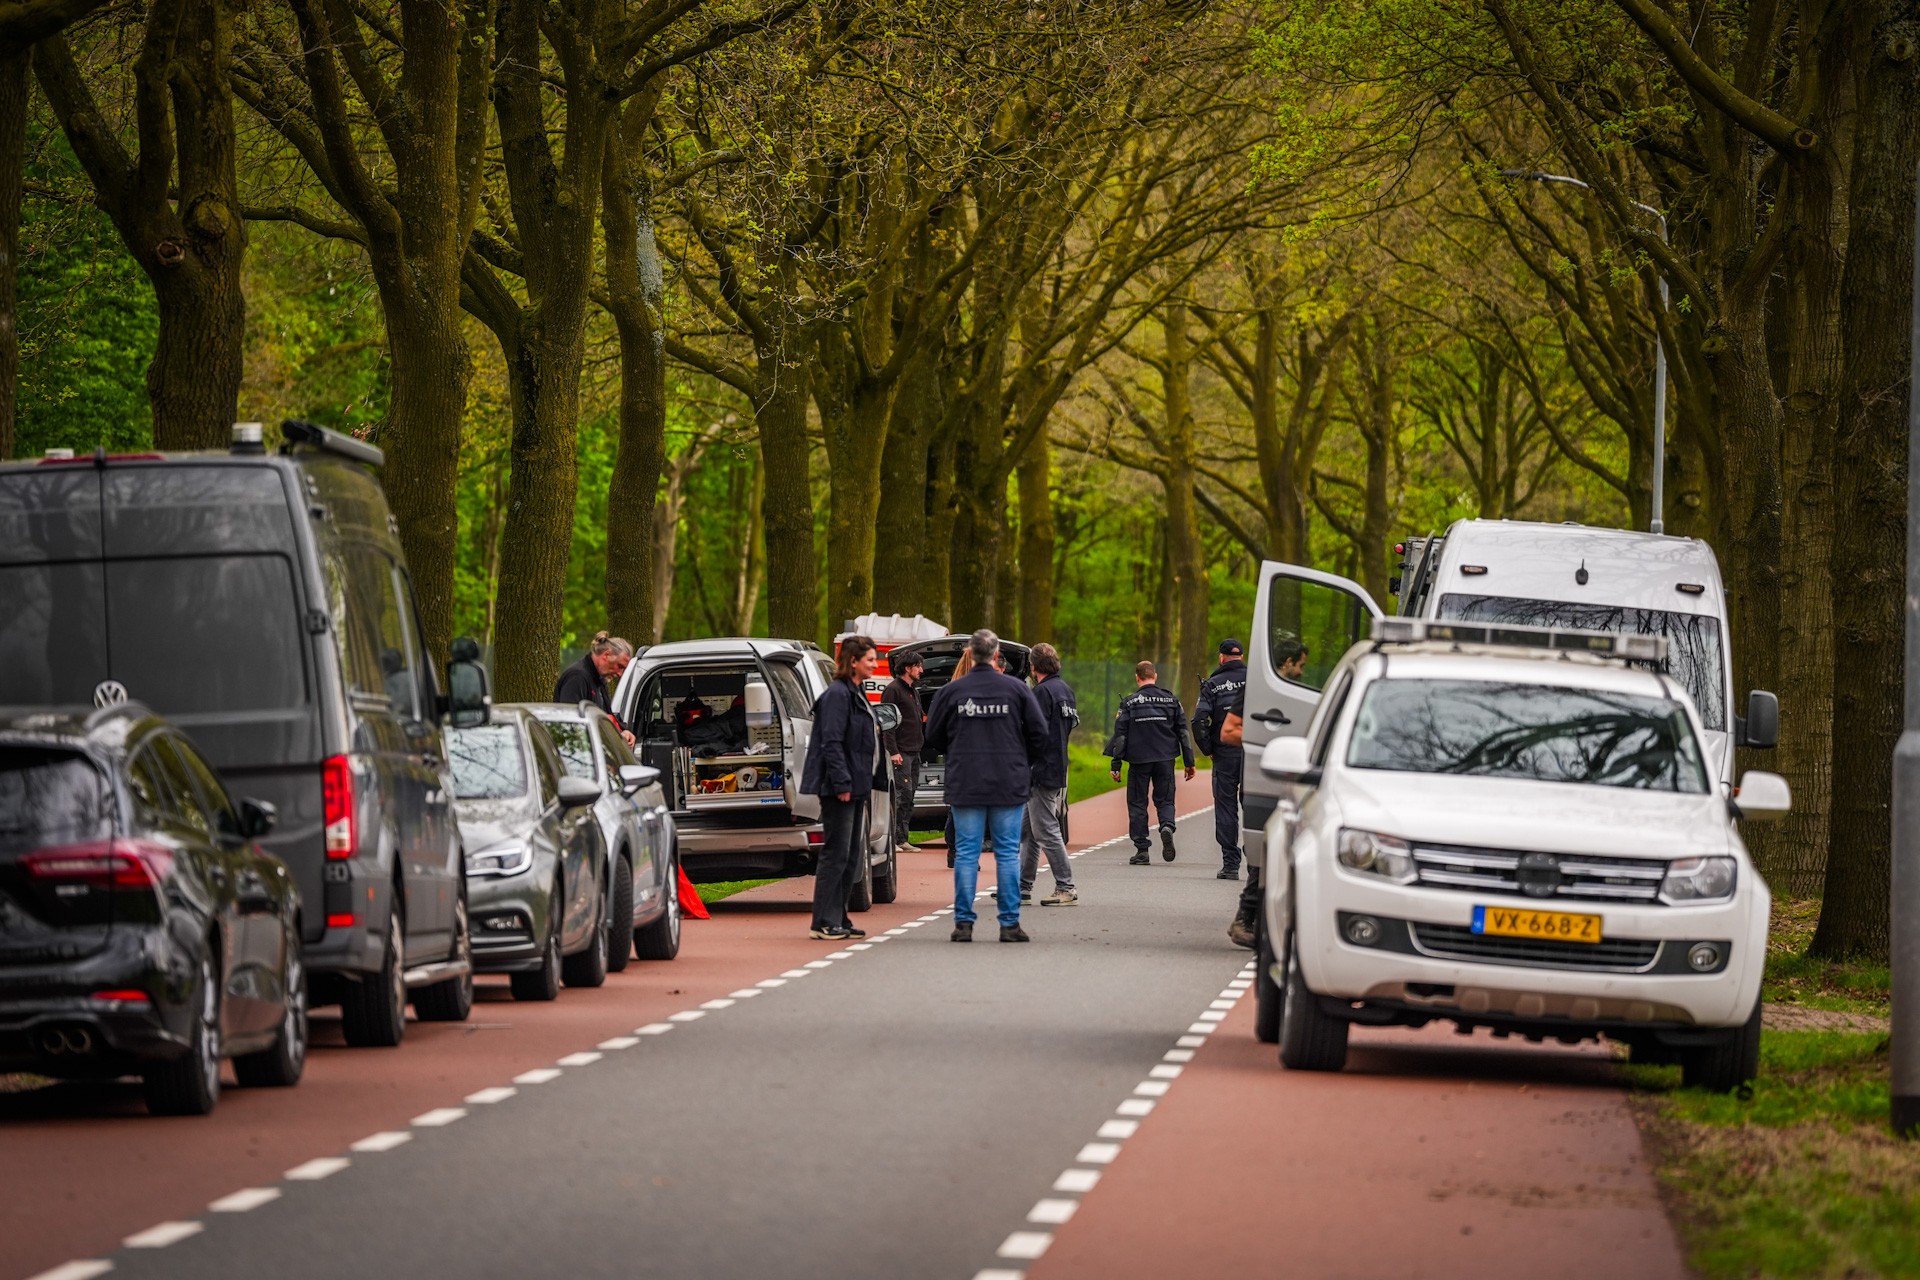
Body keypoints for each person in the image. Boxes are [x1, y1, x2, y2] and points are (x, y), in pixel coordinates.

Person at [922, 629, 1047, 943]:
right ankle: (1009, 924)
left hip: (966, 780)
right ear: (995, 655)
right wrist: (1020, 759)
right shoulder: (1017, 690)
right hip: (1008, 781)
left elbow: (932, 737)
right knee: (1006, 853)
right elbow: (1039, 734)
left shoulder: (952, 692)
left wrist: (958, 748)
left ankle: (963, 924)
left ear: (969, 653)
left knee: (966, 853)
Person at [798, 635, 881, 942]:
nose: (874, 664)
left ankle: (839, 917)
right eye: (870, 659)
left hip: (856, 786)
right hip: (839, 788)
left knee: (852, 854)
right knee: (836, 852)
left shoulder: (855, 692)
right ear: (853, 662)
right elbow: (831, 742)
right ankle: (822, 921)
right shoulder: (836, 695)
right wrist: (842, 782)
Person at [1107, 660, 1195, 866]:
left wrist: (1116, 764)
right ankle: (1166, 825)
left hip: (1139, 760)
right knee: (1165, 799)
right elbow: (1183, 732)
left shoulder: (1129, 703)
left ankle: (1142, 849)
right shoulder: (1172, 700)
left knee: (1137, 802)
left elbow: (1120, 736)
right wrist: (1189, 762)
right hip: (1165, 758)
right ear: (1155, 676)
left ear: (1137, 677)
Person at [1020, 643, 1078, 906]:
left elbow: (1034, 733)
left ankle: (1066, 887)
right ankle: (1021, 886)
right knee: (1028, 832)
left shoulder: (1042, 693)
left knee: (1045, 831)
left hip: (1040, 770)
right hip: (1057, 766)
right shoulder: (1065, 690)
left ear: (1034, 666)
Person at [1191, 638, 1250, 880]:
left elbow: (1198, 721)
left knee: (1226, 806)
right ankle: (1259, 860)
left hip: (1225, 751)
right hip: (1253, 750)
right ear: (1242, 657)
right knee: (1255, 805)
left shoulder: (1212, 685)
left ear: (1221, 657)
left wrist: (1209, 749)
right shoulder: (1258, 681)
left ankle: (1230, 864)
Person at [880, 652, 925, 853]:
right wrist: (892, 751)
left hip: (915, 751)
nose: (921, 670)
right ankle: (893, 840)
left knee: (910, 794)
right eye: (918, 666)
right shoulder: (893, 690)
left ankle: (902, 838)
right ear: (908, 668)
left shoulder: (913, 691)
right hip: (901, 752)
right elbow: (886, 724)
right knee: (901, 795)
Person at [555, 632, 636, 741]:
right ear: (606, 655)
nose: (620, 674)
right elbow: (571, 725)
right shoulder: (577, 677)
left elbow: (609, 717)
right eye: (619, 666)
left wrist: (623, 731)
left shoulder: (599, 679)